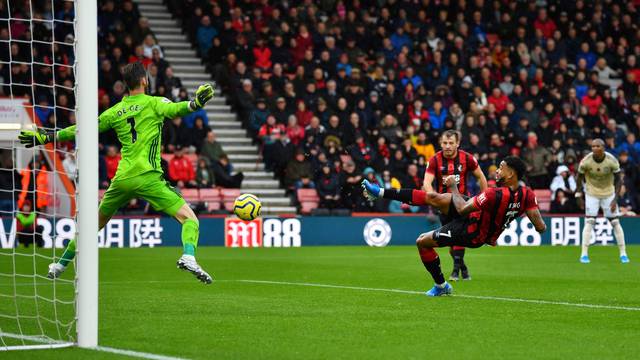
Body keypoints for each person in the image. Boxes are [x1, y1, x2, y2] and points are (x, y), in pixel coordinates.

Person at [18, 62, 216, 284]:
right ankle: (188, 256)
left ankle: (60, 264)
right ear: (144, 81)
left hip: (122, 179)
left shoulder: (115, 111)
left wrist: (47, 136)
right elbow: (177, 109)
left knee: (93, 225)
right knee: (190, 219)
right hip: (149, 177)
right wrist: (196, 103)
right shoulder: (154, 103)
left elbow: (82, 129)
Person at [362, 156, 546, 296]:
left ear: (511, 174)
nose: (496, 171)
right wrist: (511, 213)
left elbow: (462, 208)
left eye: (500, 168)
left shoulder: (493, 194)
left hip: (472, 232)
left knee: (422, 242)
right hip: (476, 216)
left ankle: (441, 286)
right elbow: (540, 227)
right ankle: (379, 192)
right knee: (434, 197)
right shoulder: (527, 195)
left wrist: (454, 186)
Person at [423, 130, 488, 281]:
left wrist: (485, 198)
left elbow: (481, 177)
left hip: (462, 205)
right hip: (444, 206)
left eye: (451, 143)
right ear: (440, 143)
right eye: (445, 143)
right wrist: (432, 195)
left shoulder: (467, 158)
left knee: (457, 236)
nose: (447, 146)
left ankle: (455, 271)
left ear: (457, 143)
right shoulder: (435, 160)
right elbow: (427, 182)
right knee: (450, 240)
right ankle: (463, 267)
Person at [575, 139, 630, 264]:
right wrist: (578, 195)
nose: (594, 148)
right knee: (589, 222)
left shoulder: (611, 160)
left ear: (603, 148)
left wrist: (615, 199)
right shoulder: (586, 161)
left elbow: (618, 180)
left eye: (597, 146)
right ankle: (584, 254)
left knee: (615, 222)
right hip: (591, 193)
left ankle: (623, 253)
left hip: (608, 194)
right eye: (593, 146)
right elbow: (579, 177)